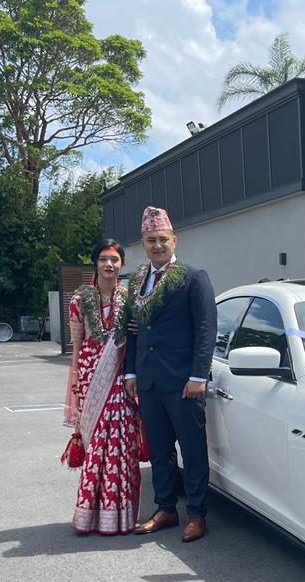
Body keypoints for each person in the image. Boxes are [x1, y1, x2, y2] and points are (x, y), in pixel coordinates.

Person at [125, 207, 218, 542]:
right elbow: (133, 329)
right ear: (143, 243)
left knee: (192, 450)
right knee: (159, 449)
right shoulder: (138, 280)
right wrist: (130, 371)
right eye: (151, 240)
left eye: (163, 239)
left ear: (174, 240)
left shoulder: (194, 276)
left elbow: (206, 328)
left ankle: (196, 513)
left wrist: (198, 376)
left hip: (183, 382)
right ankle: (165, 507)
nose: (158, 245)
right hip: (149, 380)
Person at [63, 239, 142, 535]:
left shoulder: (131, 299)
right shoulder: (79, 299)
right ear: (95, 263)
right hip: (90, 376)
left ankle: (122, 517)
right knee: (96, 445)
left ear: (121, 264)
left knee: (122, 445)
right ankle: (90, 517)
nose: (109, 264)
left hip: (122, 377)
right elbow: (77, 344)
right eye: (103, 259)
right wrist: (77, 385)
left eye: (115, 260)